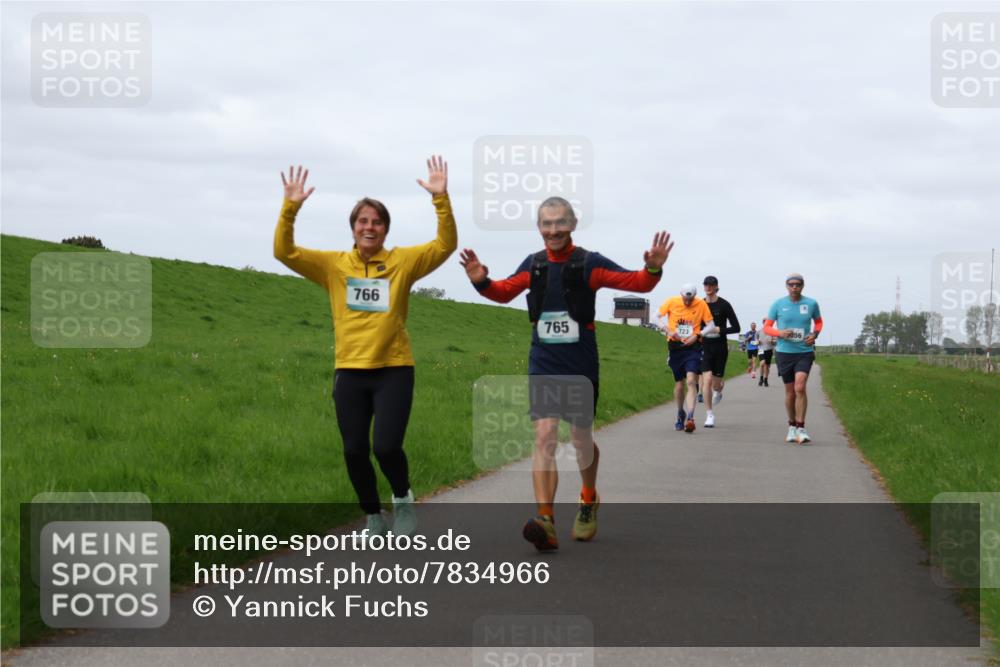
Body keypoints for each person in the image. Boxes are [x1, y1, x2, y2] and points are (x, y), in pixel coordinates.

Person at [460, 197, 671, 551]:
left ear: (572, 225)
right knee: (544, 437)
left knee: (579, 439)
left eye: (560, 223)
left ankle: (588, 499)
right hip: (543, 360)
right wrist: (482, 281)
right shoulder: (535, 264)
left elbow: (637, 284)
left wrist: (652, 269)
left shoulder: (589, 263)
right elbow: (503, 292)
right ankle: (546, 521)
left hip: (579, 362)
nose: (553, 230)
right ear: (539, 227)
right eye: (546, 223)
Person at [273, 157, 457, 536]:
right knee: (354, 450)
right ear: (353, 228)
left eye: (376, 222)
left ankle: (403, 500)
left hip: (394, 368)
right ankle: (373, 516)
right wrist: (290, 208)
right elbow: (284, 252)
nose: (369, 227)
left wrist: (441, 199)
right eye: (362, 221)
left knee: (386, 448)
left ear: (385, 229)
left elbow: (444, 245)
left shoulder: (403, 262)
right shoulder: (334, 265)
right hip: (350, 371)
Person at [764, 273, 823, 444]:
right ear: (786, 286)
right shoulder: (778, 304)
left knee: (800, 386)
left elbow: (818, 322)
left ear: (803, 286)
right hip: (784, 352)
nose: (794, 287)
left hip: (804, 351)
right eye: (791, 284)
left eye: (798, 284)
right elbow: (767, 327)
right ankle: (791, 426)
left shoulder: (811, 303)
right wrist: (779, 333)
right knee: (790, 393)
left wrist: (815, 334)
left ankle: (801, 428)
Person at [657, 284, 715, 434]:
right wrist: (668, 330)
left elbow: (711, 325)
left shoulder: (701, 304)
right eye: (685, 299)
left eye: (690, 299)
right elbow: (654, 317)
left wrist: (698, 335)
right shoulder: (671, 301)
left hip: (693, 347)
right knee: (679, 384)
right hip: (675, 346)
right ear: (681, 295)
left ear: (694, 296)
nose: (688, 302)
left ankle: (690, 418)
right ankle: (680, 413)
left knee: (691, 380)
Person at [699, 275, 740, 428]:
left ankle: (719, 389)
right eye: (706, 285)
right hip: (704, 346)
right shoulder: (699, 304)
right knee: (707, 380)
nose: (708, 287)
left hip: (720, 347)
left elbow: (736, 328)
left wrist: (719, 329)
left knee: (716, 384)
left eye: (711, 285)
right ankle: (709, 415)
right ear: (703, 286)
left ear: (716, 287)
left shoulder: (724, 305)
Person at [757, 318, 775, 387]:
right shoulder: (759, 331)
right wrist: (758, 342)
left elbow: (776, 342)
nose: (765, 323)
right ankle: (761, 378)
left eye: (767, 321)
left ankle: (765, 380)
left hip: (769, 349)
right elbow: (755, 341)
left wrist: (772, 341)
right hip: (761, 349)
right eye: (764, 321)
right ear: (763, 322)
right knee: (762, 363)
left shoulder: (772, 331)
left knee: (767, 366)